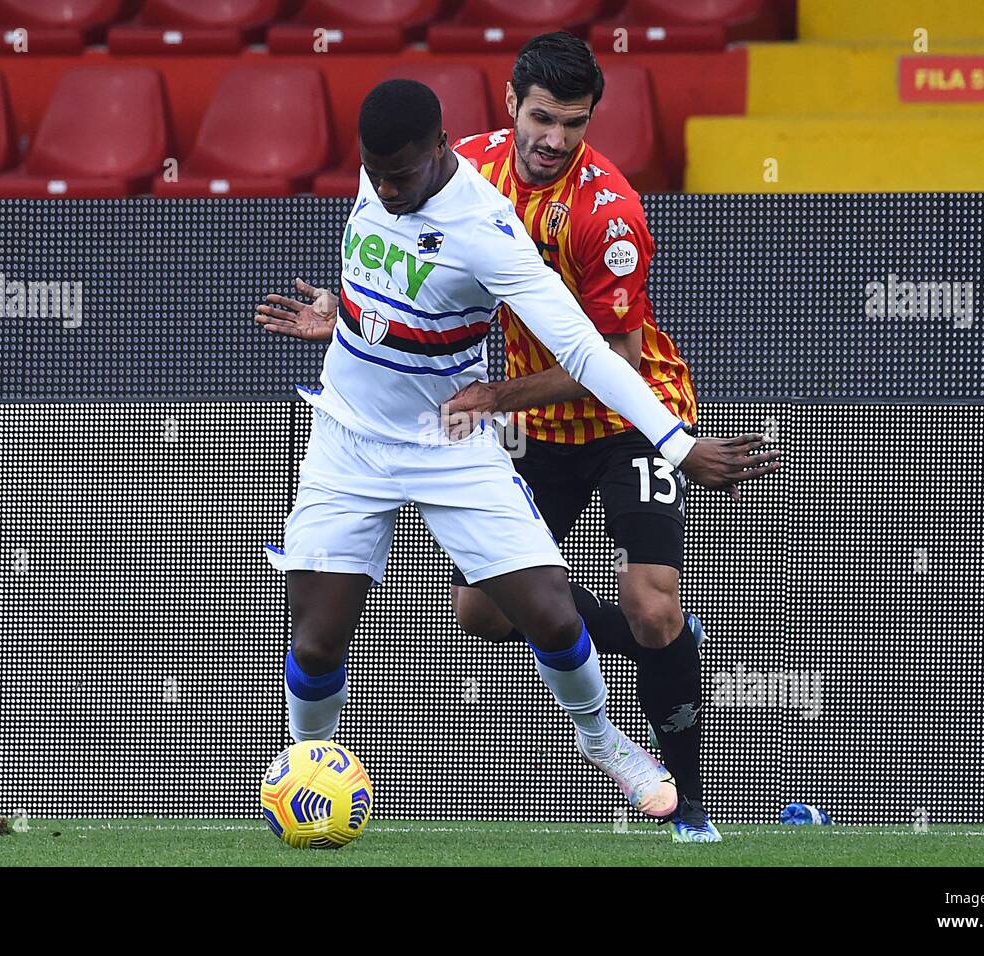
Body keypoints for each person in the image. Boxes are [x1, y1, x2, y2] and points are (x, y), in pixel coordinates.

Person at [258, 78, 781, 824]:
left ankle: (602, 739)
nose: (385, 187)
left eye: (401, 175)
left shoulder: (486, 230)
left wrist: (678, 441)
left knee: (552, 619)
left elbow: (593, 355)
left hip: (451, 437)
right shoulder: (384, 175)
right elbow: (388, 288)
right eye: (374, 173)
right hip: (348, 436)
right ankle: (308, 777)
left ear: (439, 151)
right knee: (314, 644)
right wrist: (342, 322)